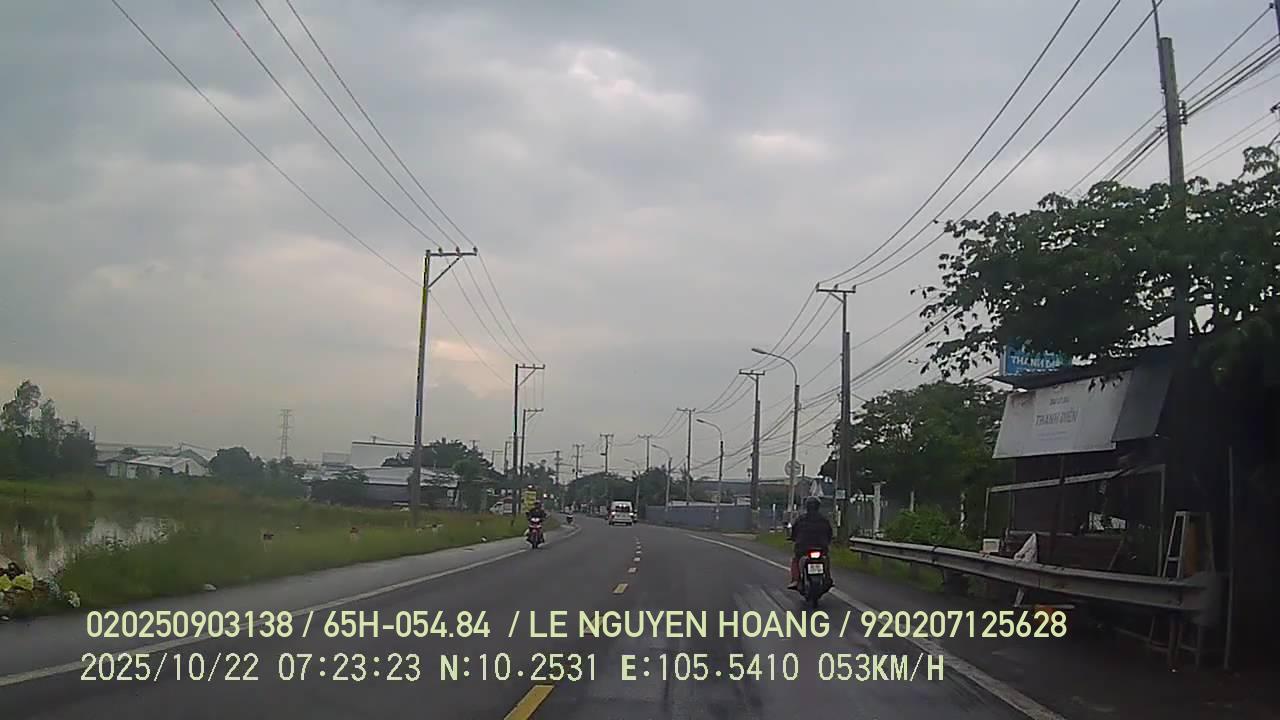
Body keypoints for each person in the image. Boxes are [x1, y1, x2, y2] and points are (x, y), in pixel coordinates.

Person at [787, 497, 833, 589]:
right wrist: (827, 541)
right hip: (821, 547)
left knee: (796, 560)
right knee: (826, 559)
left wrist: (793, 538)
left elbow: (794, 532)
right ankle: (827, 577)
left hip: (803, 547)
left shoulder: (801, 519)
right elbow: (829, 533)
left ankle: (796, 580)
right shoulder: (824, 520)